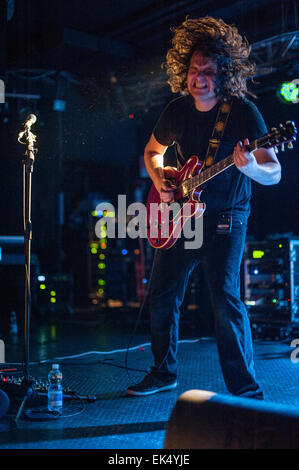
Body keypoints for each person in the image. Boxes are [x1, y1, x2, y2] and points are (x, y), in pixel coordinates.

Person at [126, 17, 281, 398]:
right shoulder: (177, 110)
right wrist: (161, 178)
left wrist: (251, 167)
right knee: (162, 294)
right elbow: (152, 152)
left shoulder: (243, 112)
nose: (199, 77)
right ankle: (164, 373)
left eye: (208, 71)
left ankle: (245, 391)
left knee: (225, 300)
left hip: (226, 219)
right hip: (181, 218)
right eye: (194, 70)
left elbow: (274, 171)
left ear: (223, 74)